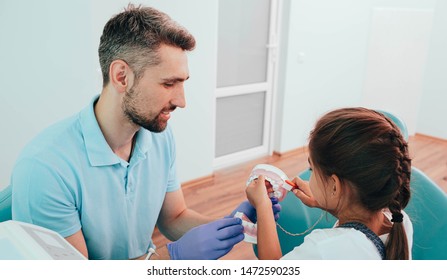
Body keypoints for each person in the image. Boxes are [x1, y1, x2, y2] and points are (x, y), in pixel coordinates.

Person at [10, 4, 279, 260]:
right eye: (168, 83)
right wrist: (170, 258)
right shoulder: (46, 169)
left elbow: (173, 218)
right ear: (122, 77)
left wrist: (231, 226)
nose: (181, 101)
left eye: (182, 83)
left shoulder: (158, 136)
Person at [246, 107, 413, 260]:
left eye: (312, 169)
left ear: (335, 186)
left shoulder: (324, 248)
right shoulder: (399, 221)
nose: (310, 176)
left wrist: (263, 206)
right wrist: (328, 204)